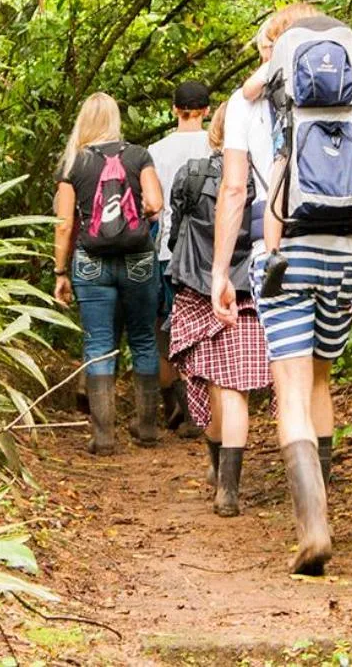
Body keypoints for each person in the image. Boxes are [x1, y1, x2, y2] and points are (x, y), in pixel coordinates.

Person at [212, 3, 352, 576]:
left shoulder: (245, 106)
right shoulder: (351, 100)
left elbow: (236, 191)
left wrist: (221, 272)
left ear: (272, 48)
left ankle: (312, 527)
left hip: (284, 252)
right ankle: (325, 509)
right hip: (344, 251)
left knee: (288, 385)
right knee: (319, 380)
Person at [164, 106, 269, 516]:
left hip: (199, 287)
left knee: (210, 384)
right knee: (236, 389)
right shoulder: (261, 177)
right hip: (247, 288)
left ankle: (216, 467)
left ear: (215, 131)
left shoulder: (191, 173)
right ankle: (229, 486)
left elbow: (176, 233)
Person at [53, 92, 165, 454]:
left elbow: (64, 225)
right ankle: (147, 428)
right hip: (138, 258)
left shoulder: (74, 164)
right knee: (144, 339)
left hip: (91, 261)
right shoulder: (138, 154)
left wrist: (60, 272)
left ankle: (104, 437)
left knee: (99, 344)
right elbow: (156, 203)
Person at [146, 79, 215, 437]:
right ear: (207, 110)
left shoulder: (155, 150)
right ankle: (199, 410)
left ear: (175, 109)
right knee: (201, 329)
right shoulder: (216, 145)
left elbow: (150, 206)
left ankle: (174, 404)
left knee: (165, 327)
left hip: (167, 250)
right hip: (208, 251)